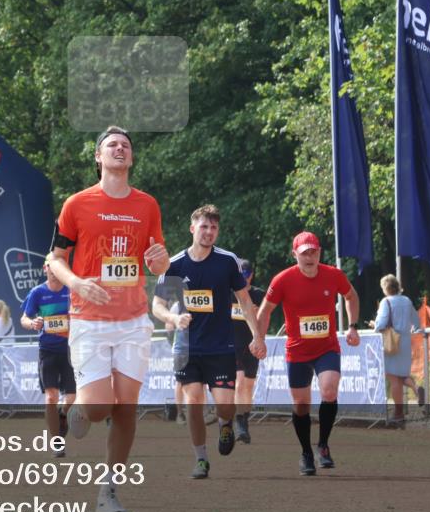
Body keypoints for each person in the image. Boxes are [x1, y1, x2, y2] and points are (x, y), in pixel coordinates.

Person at [48, 125, 170, 512]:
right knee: (102, 408)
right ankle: (84, 409)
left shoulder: (148, 205)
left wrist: (159, 263)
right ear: (98, 157)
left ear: (131, 158)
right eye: (111, 145)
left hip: (133, 319)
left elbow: (160, 258)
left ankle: (109, 489)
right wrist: (77, 283)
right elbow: (55, 259)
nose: (120, 149)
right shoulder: (77, 204)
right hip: (89, 320)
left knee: (127, 408)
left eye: (126, 146)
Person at [152, 204, 263, 479]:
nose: (209, 232)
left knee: (226, 404)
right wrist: (173, 319)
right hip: (187, 347)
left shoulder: (227, 261)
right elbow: (157, 305)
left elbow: (246, 302)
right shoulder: (174, 264)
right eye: (204, 226)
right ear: (193, 229)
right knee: (194, 403)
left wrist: (257, 336)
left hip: (220, 346)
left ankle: (226, 423)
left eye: (214, 227)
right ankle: (200, 459)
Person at [252, 231, 360, 476]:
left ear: (319, 252)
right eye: (304, 254)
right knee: (301, 404)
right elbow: (265, 311)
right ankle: (306, 452)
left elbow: (351, 296)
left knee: (329, 390)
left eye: (313, 252)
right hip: (297, 352)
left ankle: (322, 445)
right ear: (295, 255)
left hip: (326, 348)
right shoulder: (282, 280)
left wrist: (352, 326)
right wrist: (259, 338)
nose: (309, 258)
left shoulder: (333, 275)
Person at [21, 253, 76, 458]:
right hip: (48, 350)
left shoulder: (71, 291)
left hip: (70, 349)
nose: (53, 271)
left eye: (57, 267)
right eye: (50, 267)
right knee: (51, 397)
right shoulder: (37, 292)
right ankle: (57, 443)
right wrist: (32, 323)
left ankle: (62, 416)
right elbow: (24, 318)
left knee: (72, 398)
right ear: (45, 269)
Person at [372, 274, 425, 423]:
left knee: (393, 377)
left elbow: (381, 323)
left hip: (391, 342)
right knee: (402, 374)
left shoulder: (386, 302)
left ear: (385, 288)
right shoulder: (407, 300)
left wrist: (375, 327)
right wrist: (416, 329)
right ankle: (416, 388)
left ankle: (399, 412)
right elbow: (416, 320)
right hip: (405, 341)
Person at [231, 259, 265, 444]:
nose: (243, 279)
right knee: (239, 382)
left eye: (245, 275)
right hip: (232, 345)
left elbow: (263, 319)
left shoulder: (259, 295)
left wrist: (260, 339)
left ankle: (244, 418)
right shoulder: (228, 294)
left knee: (249, 385)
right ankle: (239, 423)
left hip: (252, 344)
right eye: (239, 275)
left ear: (251, 274)